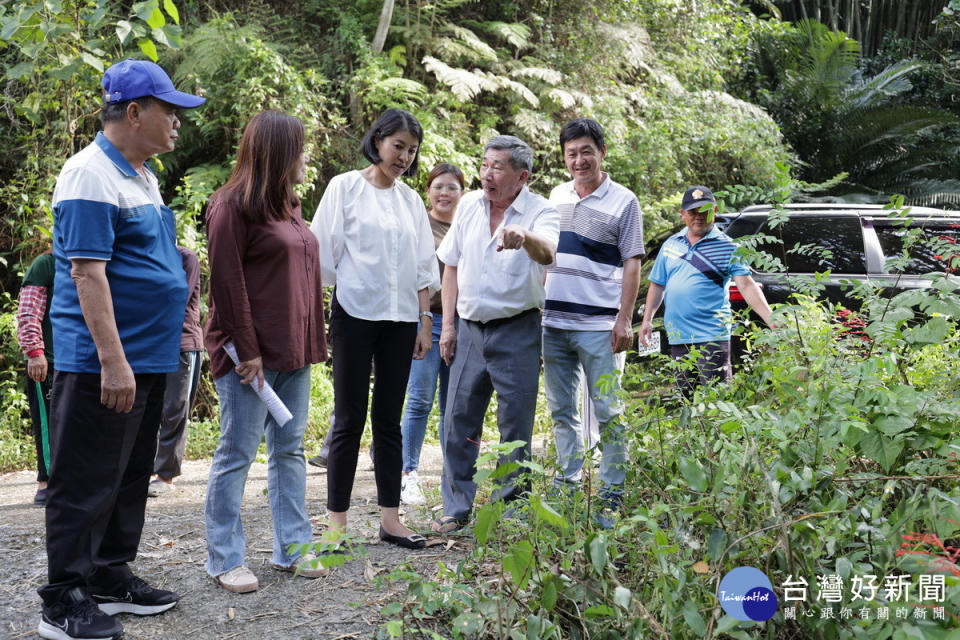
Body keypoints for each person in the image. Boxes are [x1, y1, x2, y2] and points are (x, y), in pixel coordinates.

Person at [39, 58, 205, 640]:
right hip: (104, 362)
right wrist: (112, 360)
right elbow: (87, 273)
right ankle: (64, 598)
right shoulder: (89, 173)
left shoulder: (141, 174)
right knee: (85, 479)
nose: (178, 123)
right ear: (134, 113)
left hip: (151, 355)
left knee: (130, 474)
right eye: (170, 111)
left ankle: (110, 574)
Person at [204, 111, 327, 593]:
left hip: (292, 352)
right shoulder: (230, 206)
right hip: (248, 357)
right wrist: (247, 349)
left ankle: (292, 548)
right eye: (300, 147)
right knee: (237, 451)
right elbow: (227, 284)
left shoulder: (290, 204)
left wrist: (310, 341)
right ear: (278, 152)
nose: (306, 155)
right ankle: (225, 557)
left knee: (290, 450)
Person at [310, 108, 439, 549]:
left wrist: (425, 321)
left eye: (412, 151)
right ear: (378, 140)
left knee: (389, 420)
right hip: (354, 312)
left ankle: (391, 518)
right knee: (348, 418)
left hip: (402, 319)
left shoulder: (411, 201)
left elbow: (424, 266)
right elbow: (322, 257)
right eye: (398, 146)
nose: (404, 156)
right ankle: (337, 525)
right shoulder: (344, 187)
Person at [432, 135, 560, 533]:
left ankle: (513, 509)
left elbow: (549, 253)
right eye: (485, 164)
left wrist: (525, 237)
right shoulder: (469, 204)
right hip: (468, 328)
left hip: (517, 329)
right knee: (457, 419)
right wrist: (448, 326)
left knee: (515, 423)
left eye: (497, 167)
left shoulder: (541, 211)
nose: (487, 174)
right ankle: (456, 506)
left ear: (521, 176)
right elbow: (450, 266)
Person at [542, 118, 644, 528]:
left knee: (608, 410)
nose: (579, 160)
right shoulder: (555, 196)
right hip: (554, 322)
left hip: (600, 326)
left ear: (601, 152)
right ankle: (568, 482)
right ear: (564, 157)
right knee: (561, 409)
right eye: (571, 153)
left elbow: (632, 262)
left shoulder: (624, 201)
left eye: (586, 151)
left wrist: (624, 319)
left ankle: (612, 492)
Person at [639, 186, 773, 396]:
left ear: (715, 210)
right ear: (683, 215)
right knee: (684, 400)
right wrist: (647, 320)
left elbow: (746, 285)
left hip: (712, 336)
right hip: (678, 336)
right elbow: (658, 284)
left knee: (717, 400)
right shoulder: (671, 245)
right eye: (692, 212)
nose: (699, 217)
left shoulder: (729, 247)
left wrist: (771, 319)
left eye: (705, 210)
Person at [398, 163, 465, 505]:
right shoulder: (419, 223)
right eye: (438, 186)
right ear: (428, 190)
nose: (444, 193)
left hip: (460, 324)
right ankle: (409, 474)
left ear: (461, 192)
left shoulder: (467, 226)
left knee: (451, 406)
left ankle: (451, 476)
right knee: (420, 400)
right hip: (424, 321)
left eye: (452, 187)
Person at [148, 246, 203, 497]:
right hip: (153, 344)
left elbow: (177, 296)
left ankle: (166, 474)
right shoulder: (147, 254)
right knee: (150, 409)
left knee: (175, 409)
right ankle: (148, 469)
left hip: (183, 344)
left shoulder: (185, 257)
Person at [16, 250, 55, 506]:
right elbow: (28, 312)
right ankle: (46, 480)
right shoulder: (46, 264)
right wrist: (34, 352)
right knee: (46, 422)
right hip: (48, 361)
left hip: (81, 362)